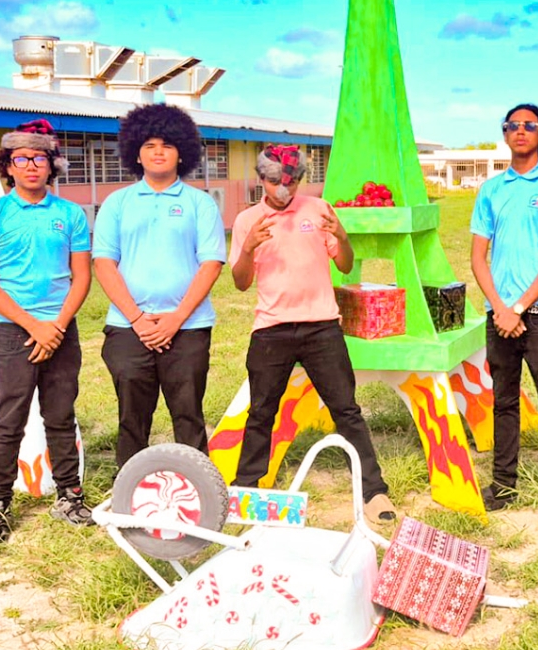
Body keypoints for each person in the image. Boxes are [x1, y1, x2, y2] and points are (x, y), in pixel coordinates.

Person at [229, 145, 396, 525]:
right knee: (261, 413)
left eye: (291, 182)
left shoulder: (319, 210)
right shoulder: (247, 221)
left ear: (301, 179)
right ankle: (246, 490)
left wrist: (343, 237)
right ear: (261, 179)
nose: (283, 190)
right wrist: (249, 247)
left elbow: (345, 265)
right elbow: (240, 282)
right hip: (271, 329)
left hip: (322, 326)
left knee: (347, 410)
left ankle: (374, 490)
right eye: (275, 182)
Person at [0, 119, 92, 545]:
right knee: (9, 420)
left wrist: (55, 326)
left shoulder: (70, 214)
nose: (32, 166)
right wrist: (33, 325)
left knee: (60, 416)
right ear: (8, 166)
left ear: (51, 164)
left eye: (39, 158)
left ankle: (69, 496)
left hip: (61, 331)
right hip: (12, 331)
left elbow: (81, 277)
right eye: (21, 159)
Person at [470, 104, 538, 534]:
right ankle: (503, 484)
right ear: (505, 135)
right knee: (503, 401)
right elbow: (478, 258)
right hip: (499, 316)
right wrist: (500, 307)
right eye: (512, 126)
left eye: (529, 126)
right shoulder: (491, 190)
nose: (520, 131)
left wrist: (517, 308)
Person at [93, 104, 226, 468]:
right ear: (136, 152)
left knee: (188, 415)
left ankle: (199, 489)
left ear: (182, 152)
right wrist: (138, 320)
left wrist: (175, 320)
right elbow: (104, 263)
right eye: (149, 145)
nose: (158, 152)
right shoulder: (117, 203)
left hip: (188, 327)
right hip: (127, 327)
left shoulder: (200, 203)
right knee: (131, 418)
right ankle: (130, 489)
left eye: (167, 145)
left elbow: (211, 264)